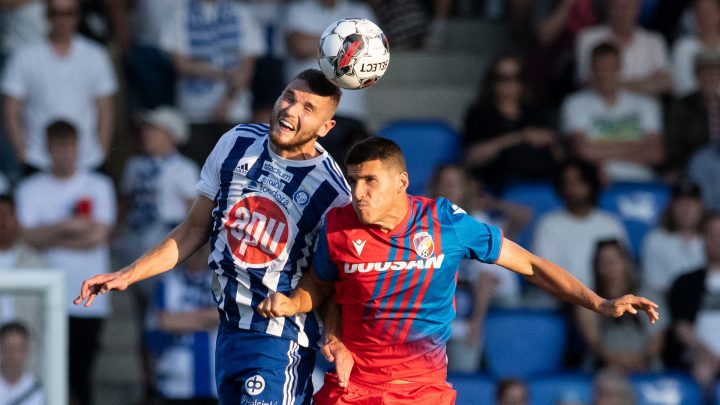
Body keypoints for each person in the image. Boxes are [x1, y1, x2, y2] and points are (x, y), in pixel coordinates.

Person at [256, 137, 659, 404]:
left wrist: (598, 302)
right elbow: (323, 286)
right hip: (352, 389)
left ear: (401, 182)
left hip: (423, 391)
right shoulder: (337, 225)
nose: (358, 192)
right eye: (353, 180)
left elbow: (532, 266)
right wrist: (295, 304)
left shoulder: (444, 223)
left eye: (369, 181)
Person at [74, 69, 352, 405]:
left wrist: (336, 336)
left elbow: (333, 278)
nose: (291, 110)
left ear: (326, 127)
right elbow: (194, 228)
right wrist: (127, 274)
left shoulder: (332, 193)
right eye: (289, 97)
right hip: (229, 329)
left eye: (308, 108)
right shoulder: (237, 141)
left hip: (278, 339)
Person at [15, 120, 117, 405]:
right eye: (57, 147)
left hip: (90, 297)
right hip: (43, 297)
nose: (63, 153)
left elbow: (98, 235)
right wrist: (69, 225)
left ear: (78, 148)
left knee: (81, 376)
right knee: (45, 374)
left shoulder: (99, 184)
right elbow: (25, 237)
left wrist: (51, 233)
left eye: (68, 147)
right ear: (47, 149)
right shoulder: (30, 188)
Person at [427, 164, 527, 372]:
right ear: (434, 187)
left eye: (454, 184)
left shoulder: (475, 222)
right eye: (444, 183)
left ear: (465, 189)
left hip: (478, 306)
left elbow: (487, 278)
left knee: (463, 370)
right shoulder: (423, 223)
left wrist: (476, 322)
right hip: (440, 311)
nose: (448, 189)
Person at [1, 0, 117, 174]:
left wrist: (101, 152)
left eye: (68, 13)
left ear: (78, 16)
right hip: (37, 159)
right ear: (46, 15)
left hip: (87, 160)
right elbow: (11, 109)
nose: (62, 20)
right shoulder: (24, 56)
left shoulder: (95, 55)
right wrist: (22, 153)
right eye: (56, 13)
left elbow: (105, 108)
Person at [561, 42, 665, 183]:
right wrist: (636, 147)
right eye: (600, 68)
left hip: (640, 179)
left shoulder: (646, 104)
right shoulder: (574, 103)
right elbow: (582, 151)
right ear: (592, 69)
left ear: (620, 67)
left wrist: (598, 149)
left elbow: (655, 154)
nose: (606, 74)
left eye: (611, 68)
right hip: (595, 181)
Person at [463, 52, 563, 194]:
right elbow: (472, 157)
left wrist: (551, 141)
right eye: (503, 78)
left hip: (542, 184)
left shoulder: (536, 112)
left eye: (515, 78)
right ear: (492, 81)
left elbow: (560, 158)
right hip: (498, 187)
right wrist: (520, 137)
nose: (509, 84)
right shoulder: (480, 114)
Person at [533, 159, 628, 292]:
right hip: (563, 296)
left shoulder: (610, 223)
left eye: (579, 181)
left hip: (607, 296)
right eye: (568, 182)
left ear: (591, 183)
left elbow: (624, 269)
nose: (574, 188)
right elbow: (544, 272)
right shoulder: (548, 224)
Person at [574, 239, 667, 373]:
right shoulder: (587, 302)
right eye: (603, 263)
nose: (609, 268)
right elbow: (593, 342)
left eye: (613, 262)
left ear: (626, 263)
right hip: (602, 368)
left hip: (645, 367)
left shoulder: (649, 296)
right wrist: (613, 360)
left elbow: (658, 339)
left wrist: (639, 359)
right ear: (596, 267)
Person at [145, 244, 219, 404]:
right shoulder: (167, 282)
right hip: (175, 383)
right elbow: (164, 322)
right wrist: (210, 319)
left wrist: (181, 320)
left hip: (217, 383)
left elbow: (227, 316)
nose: (198, 252)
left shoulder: (223, 280)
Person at [666, 211, 720, 393]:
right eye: (712, 235)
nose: (717, 241)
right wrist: (705, 351)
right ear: (702, 239)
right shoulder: (685, 283)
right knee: (702, 371)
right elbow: (681, 327)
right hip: (701, 355)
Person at [574, 0, 671, 96]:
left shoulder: (654, 41)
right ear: (608, 8)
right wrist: (646, 83)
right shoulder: (588, 38)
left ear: (638, 9)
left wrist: (610, 84)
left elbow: (665, 83)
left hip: (645, 109)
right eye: (618, 7)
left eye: (629, 7)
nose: (624, 12)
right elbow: (586, 82)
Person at [641, 181, 705, 297]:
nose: (686, 208)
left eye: (691, 202)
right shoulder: (655, 240)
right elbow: (654, 286)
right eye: (680, 202)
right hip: (668, 306)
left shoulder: (712, 238)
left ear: (701, 206)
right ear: (671, 207)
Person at [665, 47, 720, 179]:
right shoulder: (681, 106)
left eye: (714, 73)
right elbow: (673, 146)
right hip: (695, 166)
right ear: (697, 76)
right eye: (705, 73)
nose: (710, 78)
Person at [671, 0, 720, 98]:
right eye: (700, 12)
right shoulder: (682, 47)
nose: (705, 17)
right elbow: (682, 88)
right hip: (693, 108)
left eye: (709, 12)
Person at [0, 322, 43, 405]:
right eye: (9, 348)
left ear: (26, 351)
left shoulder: (37, 390)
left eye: (18, 349)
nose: (13, 355)